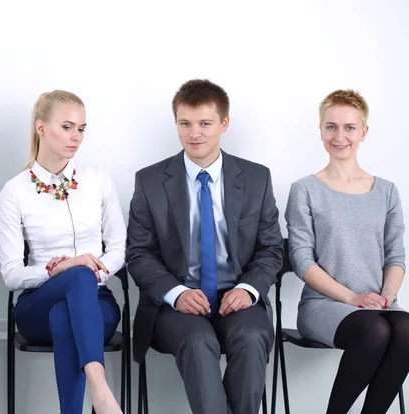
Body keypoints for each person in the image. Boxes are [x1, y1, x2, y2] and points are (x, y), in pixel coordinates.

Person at [127, 79, 283, 414]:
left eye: (205, 123)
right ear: (176, 124)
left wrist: (248, 289)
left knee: (253, 336)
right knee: (198, 341)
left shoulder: (257, 178)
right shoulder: (150, 181)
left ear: (224, 124)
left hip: (237, 298)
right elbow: (139, 253)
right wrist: (176, 293)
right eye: (185, 123)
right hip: (175, 305)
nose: (194, 133)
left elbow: (270, 248)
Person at [0, 90, 125, 414]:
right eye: (67, 127)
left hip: (97, 302)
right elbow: (11, 274)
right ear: (40, 127)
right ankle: (101, 391)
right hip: (37, 304)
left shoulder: (98, 180)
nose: (76, 137)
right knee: (73, 280)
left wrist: (91, 270)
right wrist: (58, 270)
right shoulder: (15, 191)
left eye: (81, 128)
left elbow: (120, 247)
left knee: (66, 312)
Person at [285, 89, 409, 414]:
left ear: (363, 132)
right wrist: (354, 299)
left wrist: (388, 295)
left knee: (406, 328)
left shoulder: (386, 191)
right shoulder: (305, 190)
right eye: (331, 127)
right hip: (324, 305)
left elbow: (396, 257)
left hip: (378, 304)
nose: (340, 136)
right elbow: (301, 260)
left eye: (349, 127)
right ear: (321, 130)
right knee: (374, 330)